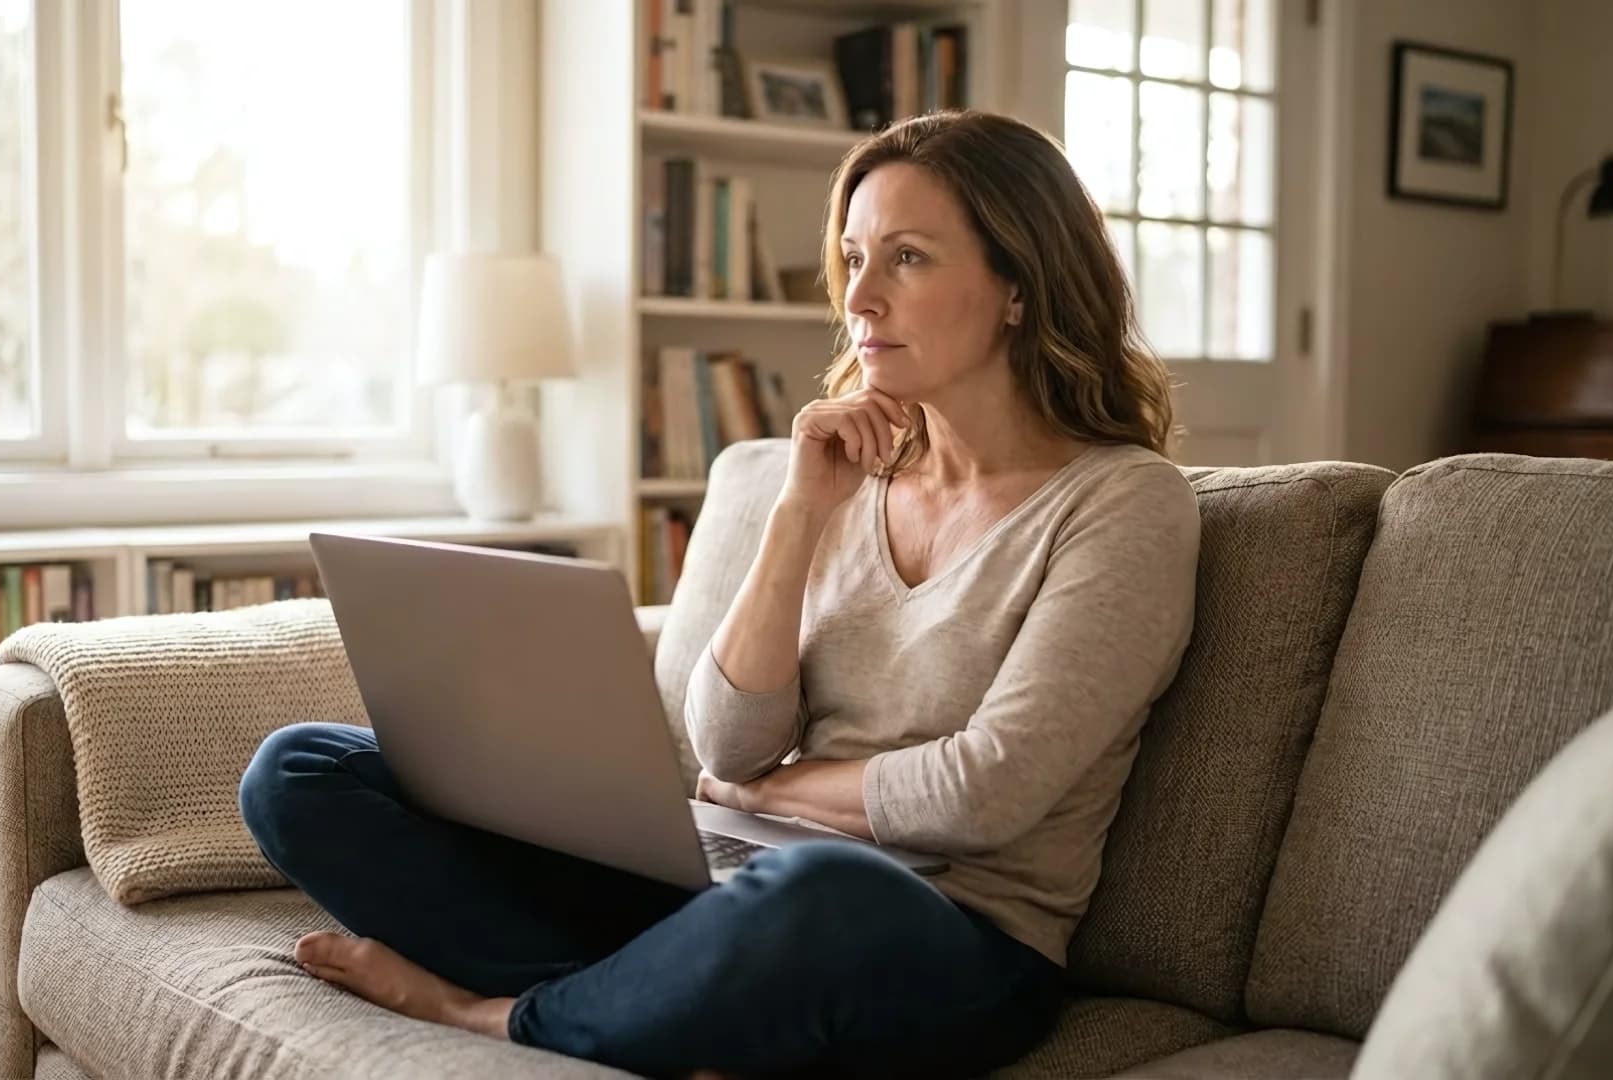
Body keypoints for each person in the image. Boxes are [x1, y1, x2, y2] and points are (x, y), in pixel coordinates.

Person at [238, 109, 1201, 1079]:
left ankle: (494, 1014)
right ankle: (642, 1004)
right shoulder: (852, 477)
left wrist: (768, 794)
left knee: (820, 886)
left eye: (906, 258)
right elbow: (727, 746)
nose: (860, 297)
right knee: (302, 770)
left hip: (946, 939)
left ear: (1019, 288)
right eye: (853, 258)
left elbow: (984, 792)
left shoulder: (1124, 502)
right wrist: (801, 510)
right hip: (735, 885)